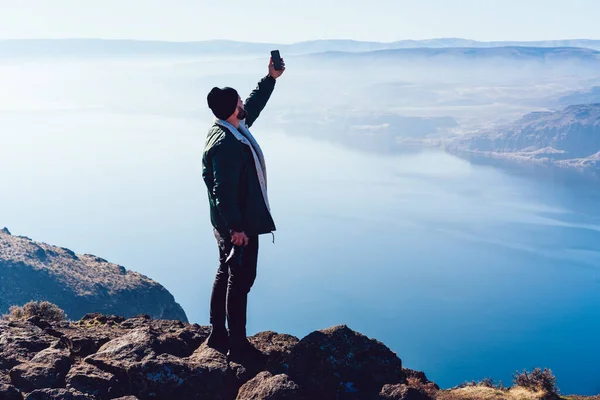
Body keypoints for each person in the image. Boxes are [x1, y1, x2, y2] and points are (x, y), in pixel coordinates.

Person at [202, 57, 285, 361]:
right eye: (238, 101)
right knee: (241, 278)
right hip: (237, 224)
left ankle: (217, 333)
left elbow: (254, 104)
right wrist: (237, 227)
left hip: (230, 221)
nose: (242, 103)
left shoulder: (230, 126)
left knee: (226, 271)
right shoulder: (226, 143)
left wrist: (270, 78)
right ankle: (236, 343)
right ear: (232, 110)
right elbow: (221, 190)